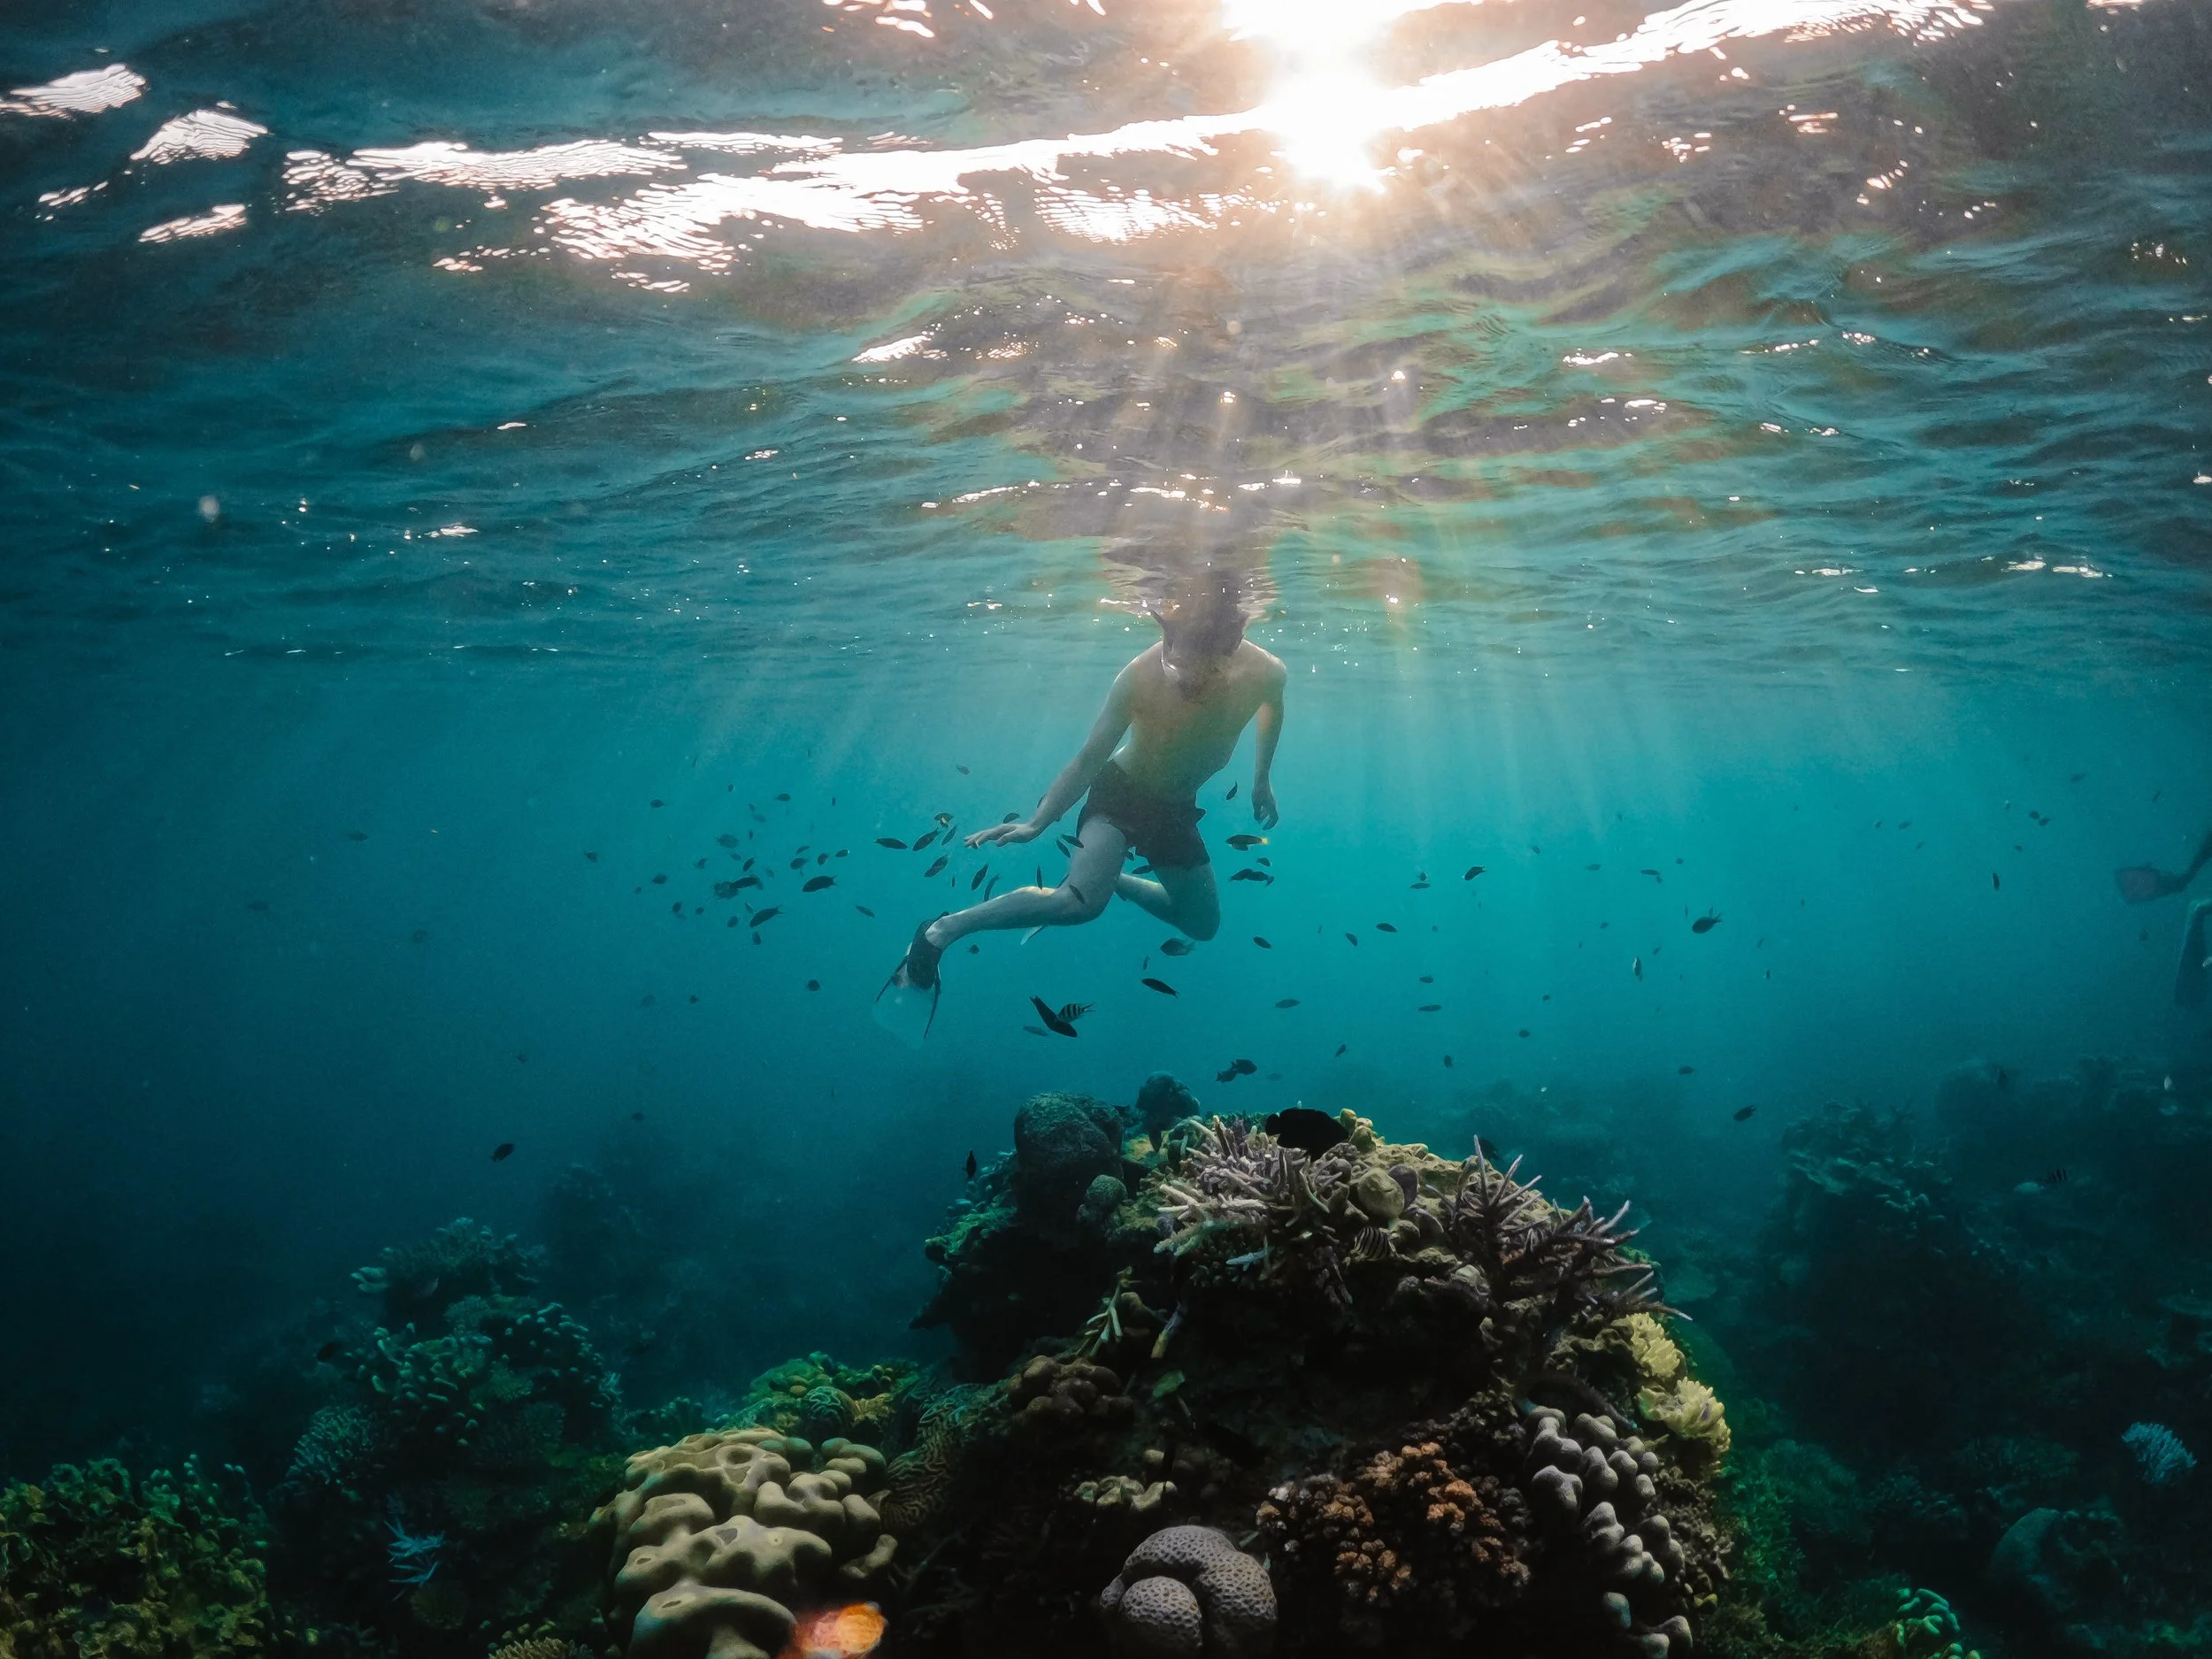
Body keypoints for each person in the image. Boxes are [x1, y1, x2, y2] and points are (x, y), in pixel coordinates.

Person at [881, 570, 1286, 1018]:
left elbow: (1271, 710)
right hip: (1120, 797)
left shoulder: (1268, 673)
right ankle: (942, 931)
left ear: (1233, 645)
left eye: (1198, 674)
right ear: (1167, 636)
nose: (1182, 680)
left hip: (1175, 809)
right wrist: (1038, 822)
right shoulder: (1138, 677)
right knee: (1079, 905)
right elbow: (1088, 760)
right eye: (1175, 665)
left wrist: (1261, 779)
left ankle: (1111, 878)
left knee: (1202, 923)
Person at [2116, 828, 2212, 1006]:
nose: (2138, 891)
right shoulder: (2175, 910)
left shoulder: (2190, 853)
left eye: (2134, 882)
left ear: (2145, 866)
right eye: (2134, 895)